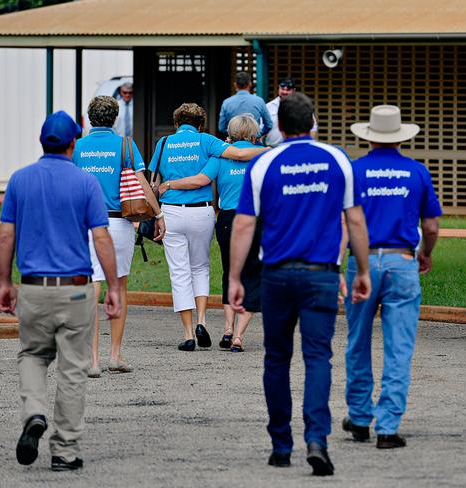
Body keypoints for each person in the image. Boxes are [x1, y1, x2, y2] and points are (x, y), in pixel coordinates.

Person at [229, 92, 371, 476]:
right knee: (318, 357)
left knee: (276, 358)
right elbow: (354, 220)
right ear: (313, 123)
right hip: (321, 274)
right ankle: (317, 439)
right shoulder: (338, 160)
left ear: (277, 127)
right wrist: (361, 270)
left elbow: (244, 224)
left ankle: (280, 444)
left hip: (276, 274)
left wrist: (235, 277)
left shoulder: (263, 164)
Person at [0, 111, 121, 471]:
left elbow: (6, 236)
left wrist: (5, 282)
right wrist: (113, 286)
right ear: (73, 144)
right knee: (72, 369)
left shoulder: (19, 181)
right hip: (76, 290)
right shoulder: (86, 183)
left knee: (33, 355)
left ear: (41, 142)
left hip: (34, 289)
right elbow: (101, 237)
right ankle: (64, 451)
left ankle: (34, 412)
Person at [342, 105, 442, 449]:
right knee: (399, 348)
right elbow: (430, 225)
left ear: (367, 136)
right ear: (401, 137)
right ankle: (387, 426)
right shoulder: (417, 172)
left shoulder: (354, 171)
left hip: (362, 262)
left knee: (357, 342)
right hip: (402, 261)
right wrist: (426, 253)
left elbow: (343, 222)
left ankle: (358, 417)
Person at [150, 103, 267, 352]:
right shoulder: (208, 142)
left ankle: (189, 332)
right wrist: (269, 149)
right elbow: (237, 156)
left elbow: (156, 182)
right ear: (201, 124)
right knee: (201, 267)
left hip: (173, 212)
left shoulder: (162, 144)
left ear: (176, 123)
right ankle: (206, 321)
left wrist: (165, 193)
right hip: (204, 212)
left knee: (181, 273)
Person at [73, 96, 165, 377]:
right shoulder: (125, 144)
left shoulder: (78, 147)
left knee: (92, 285)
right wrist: (158, 215)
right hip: (118, 222)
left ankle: (91, 359)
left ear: (90, 118)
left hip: (87, 223)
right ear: (114, 118)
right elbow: (141, 184)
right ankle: (114, 354)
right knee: (118, 286)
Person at [265, 76, 318, 147]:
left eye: (288, 90)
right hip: (273, 148)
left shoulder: (302, 105)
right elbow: (262, 127)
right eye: (282, 89)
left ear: (294, 90)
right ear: (278, 88)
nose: (284, 92)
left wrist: (308, 146)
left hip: (296, 148)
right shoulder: (269, 106)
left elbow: (313, 127)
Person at [218, 71, 273, 137]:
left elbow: (221, 128)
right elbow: (269, 125)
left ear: (235, 84)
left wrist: (234, 135)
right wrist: (257, 134)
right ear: (250, 84)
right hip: (254, 143)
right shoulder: (259, 101)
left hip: (234, 144)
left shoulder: (226, 103)